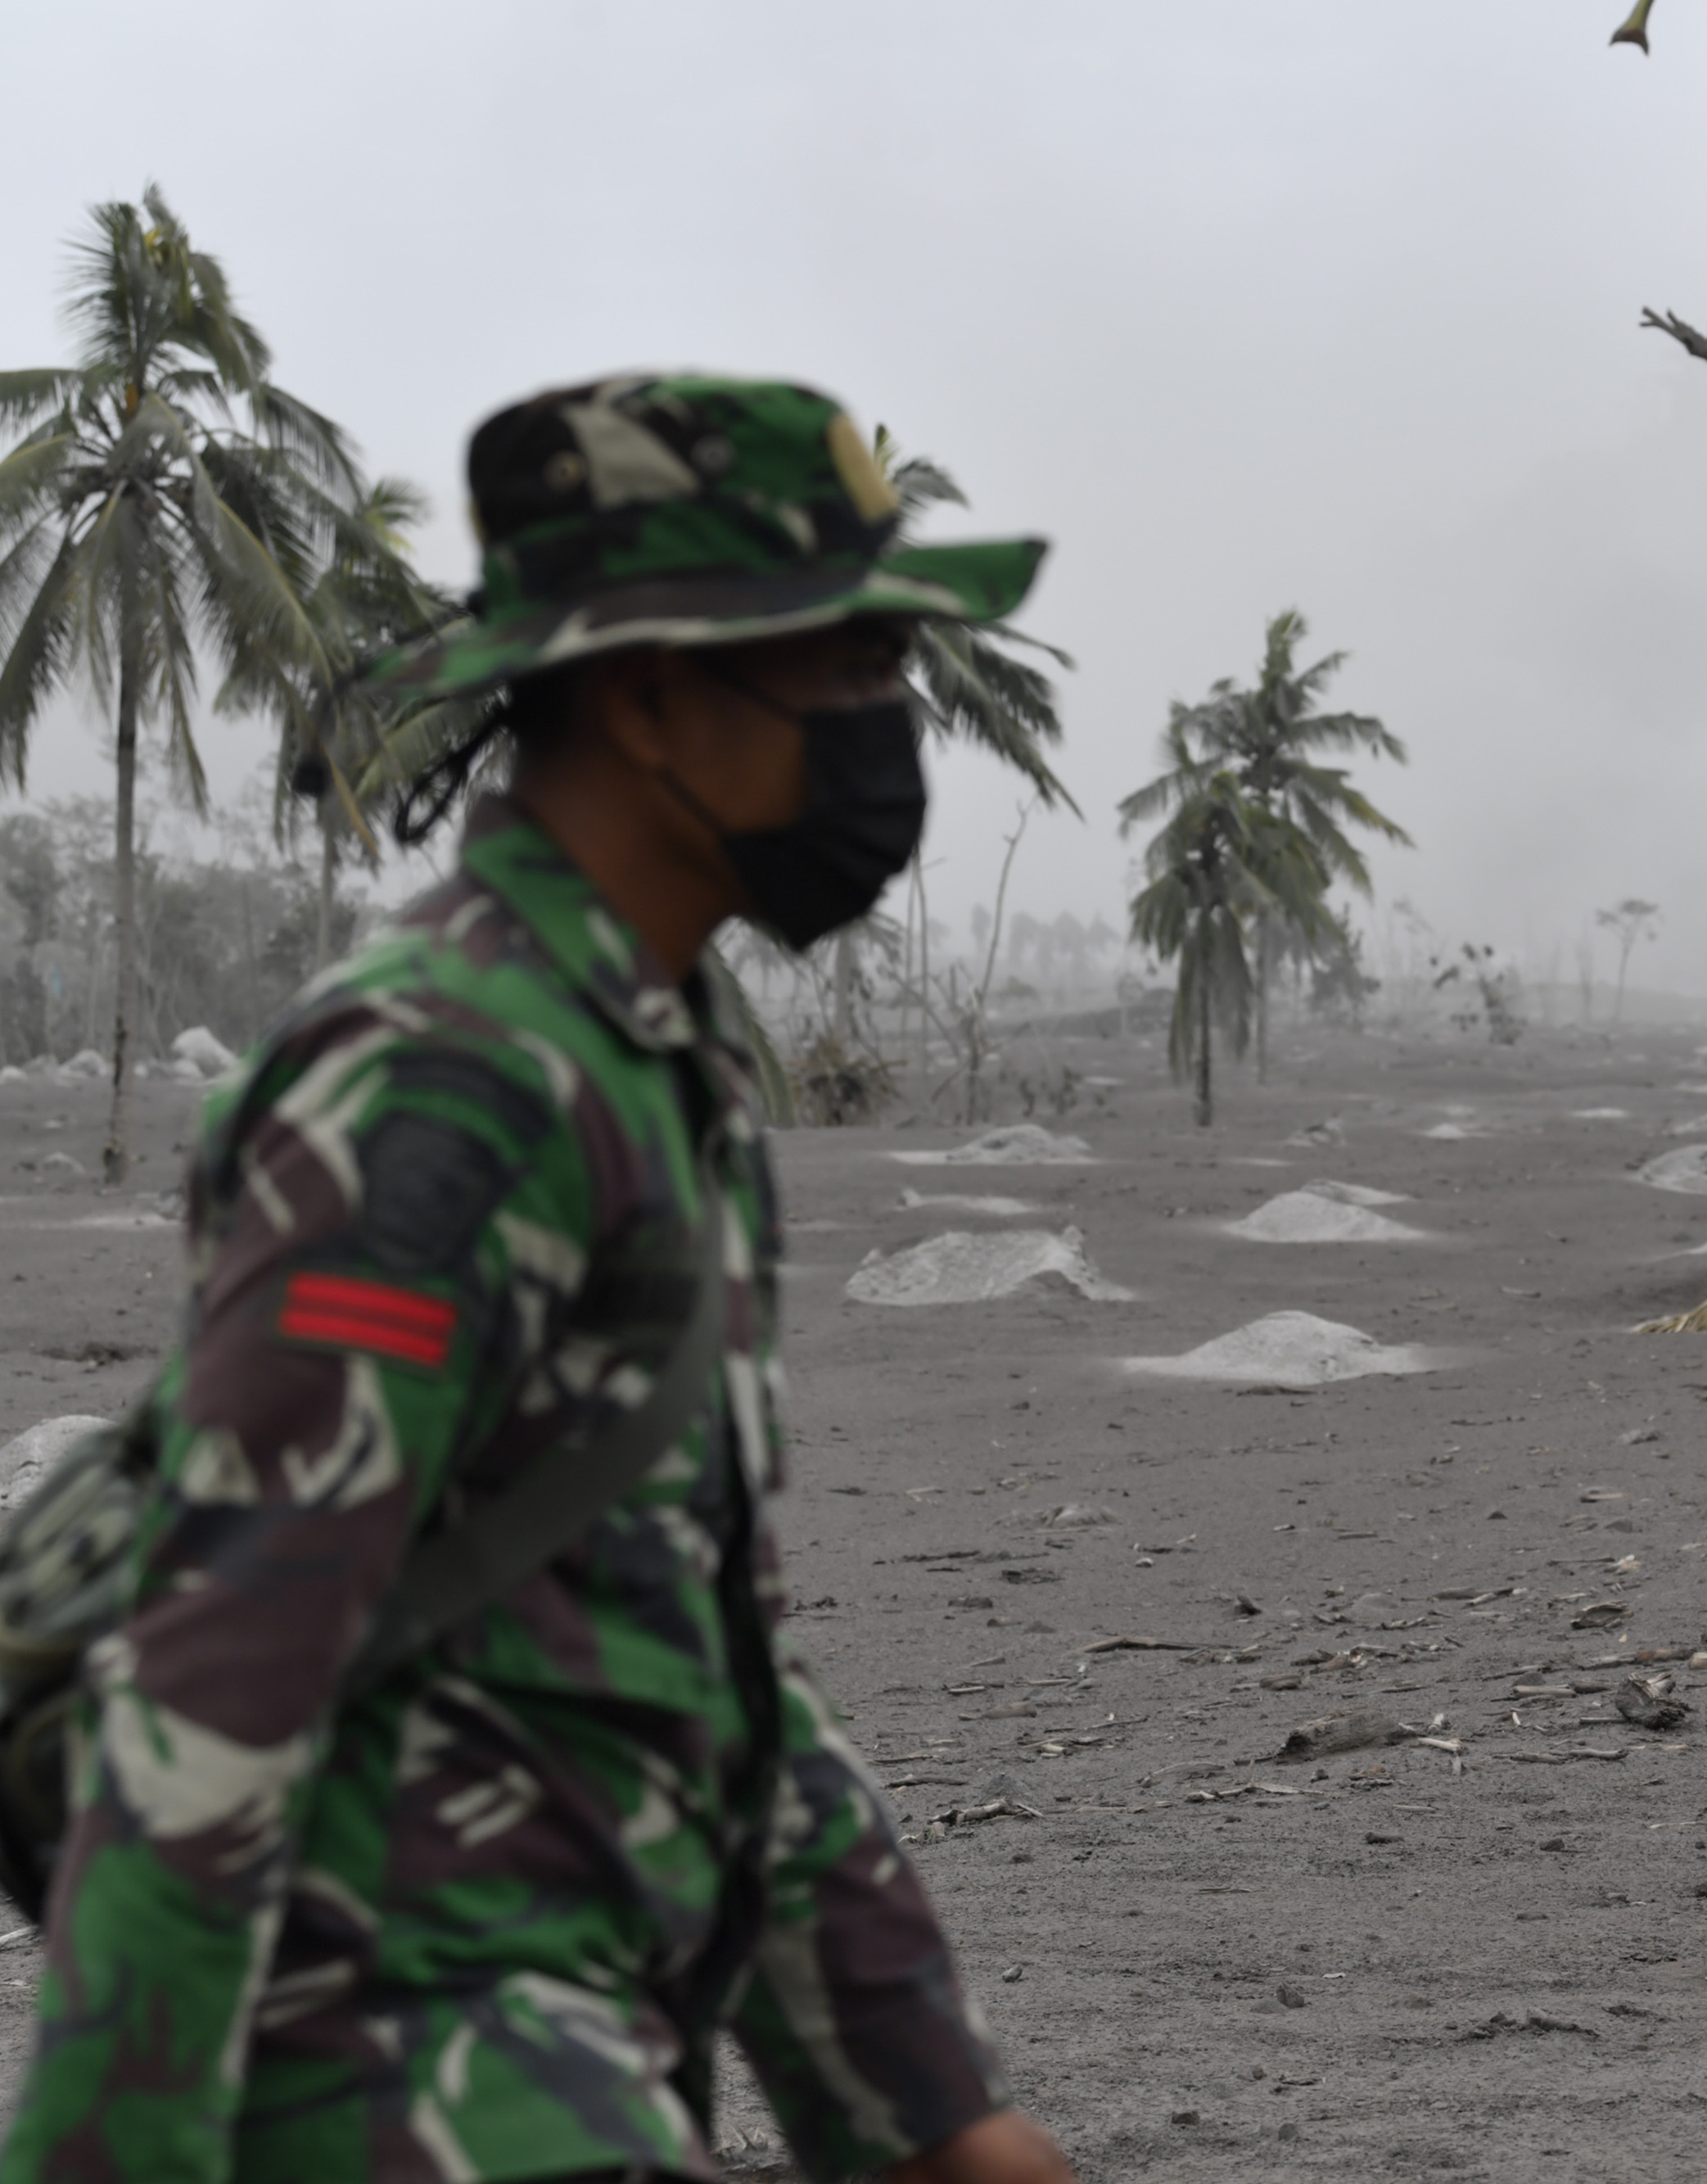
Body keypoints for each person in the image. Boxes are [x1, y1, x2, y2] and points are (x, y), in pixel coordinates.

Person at [0, 377, 1073, 2184]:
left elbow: (692, 1651)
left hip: (563, 2043)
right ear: (654, 695)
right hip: (404, 2073)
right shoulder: (445, 1083)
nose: (897, 730)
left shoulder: (648, 1052)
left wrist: (927, 2112)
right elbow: (211, 1681)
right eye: (853, 672)